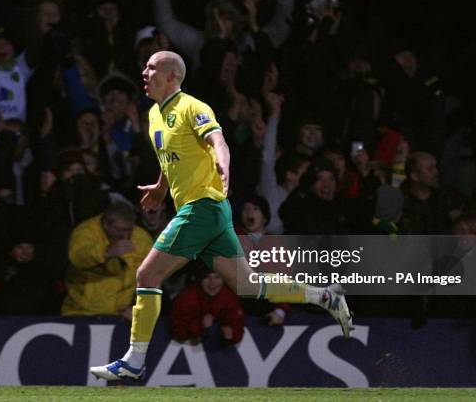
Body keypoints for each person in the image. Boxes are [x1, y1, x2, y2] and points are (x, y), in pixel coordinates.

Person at [90, 51, 353, 381]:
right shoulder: (156, 116)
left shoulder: (192, 107)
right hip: (207, 212)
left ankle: (134, 361)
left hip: (202, 207)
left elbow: (217, 140)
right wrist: (160, 188)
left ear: (172, 76)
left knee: (146, 276)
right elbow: (174, 160)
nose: (144, 72)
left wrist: (223, 163)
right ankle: (324, 296)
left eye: (152, 67)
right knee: (249, 284)